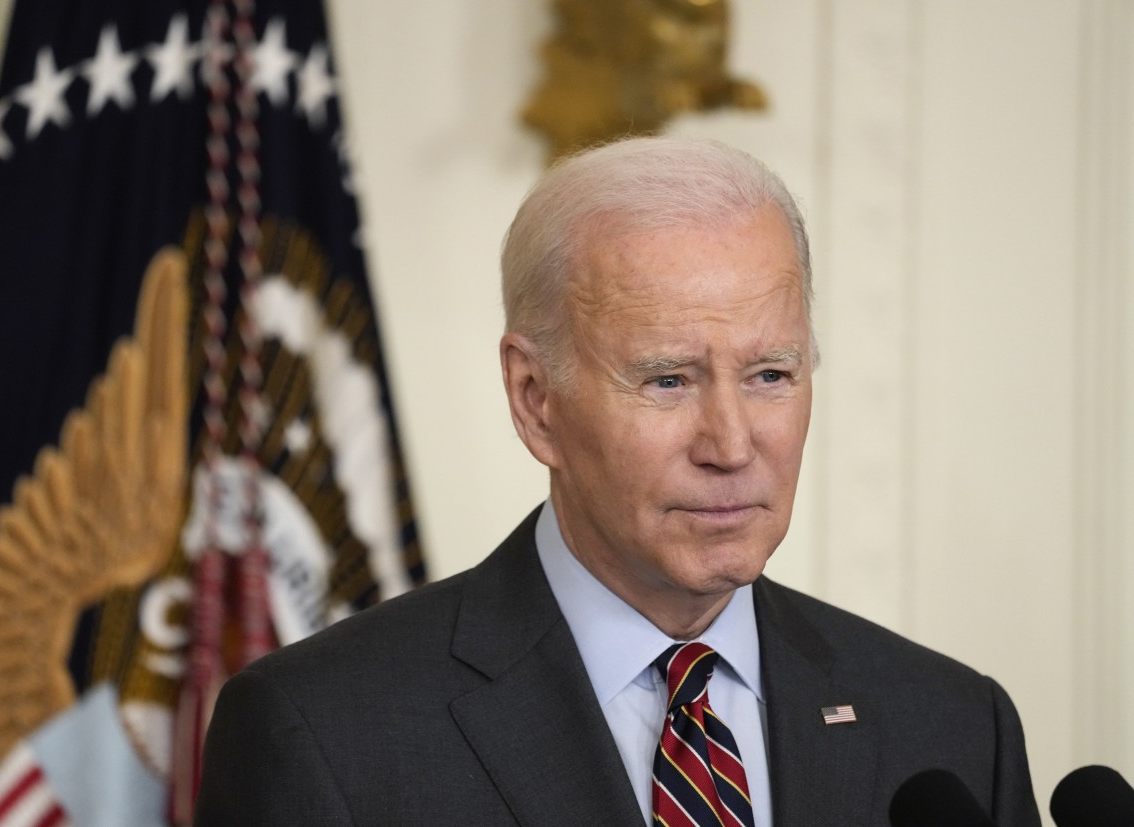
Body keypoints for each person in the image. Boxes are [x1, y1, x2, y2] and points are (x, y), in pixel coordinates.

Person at [194, 136, 1040, 826]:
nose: (732, 443)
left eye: (771, 375)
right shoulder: (324, 734)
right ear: (536, 401)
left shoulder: (954, 729)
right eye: (668, 379)